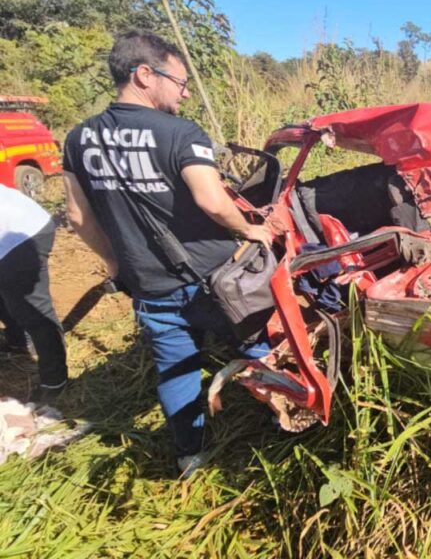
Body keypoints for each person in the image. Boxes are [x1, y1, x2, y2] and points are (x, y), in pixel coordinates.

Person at [61, 29, 273, 478]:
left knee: (176, 368)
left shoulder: (79, 139)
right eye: (179, 81)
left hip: (150, 284)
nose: (185, 92)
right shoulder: (179, 132)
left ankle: (189, 455)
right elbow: (213, 201)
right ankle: (280, 431)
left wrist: (119, 264)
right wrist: (251, 230)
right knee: (259, 346)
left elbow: (78, 217)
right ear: (144, 74)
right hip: (217, 279)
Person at [0, 185, 68, 404]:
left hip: (22, 233)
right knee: (8, 293)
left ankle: (55, 381)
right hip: (12, 226)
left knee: (31, 308)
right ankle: (19, 339)